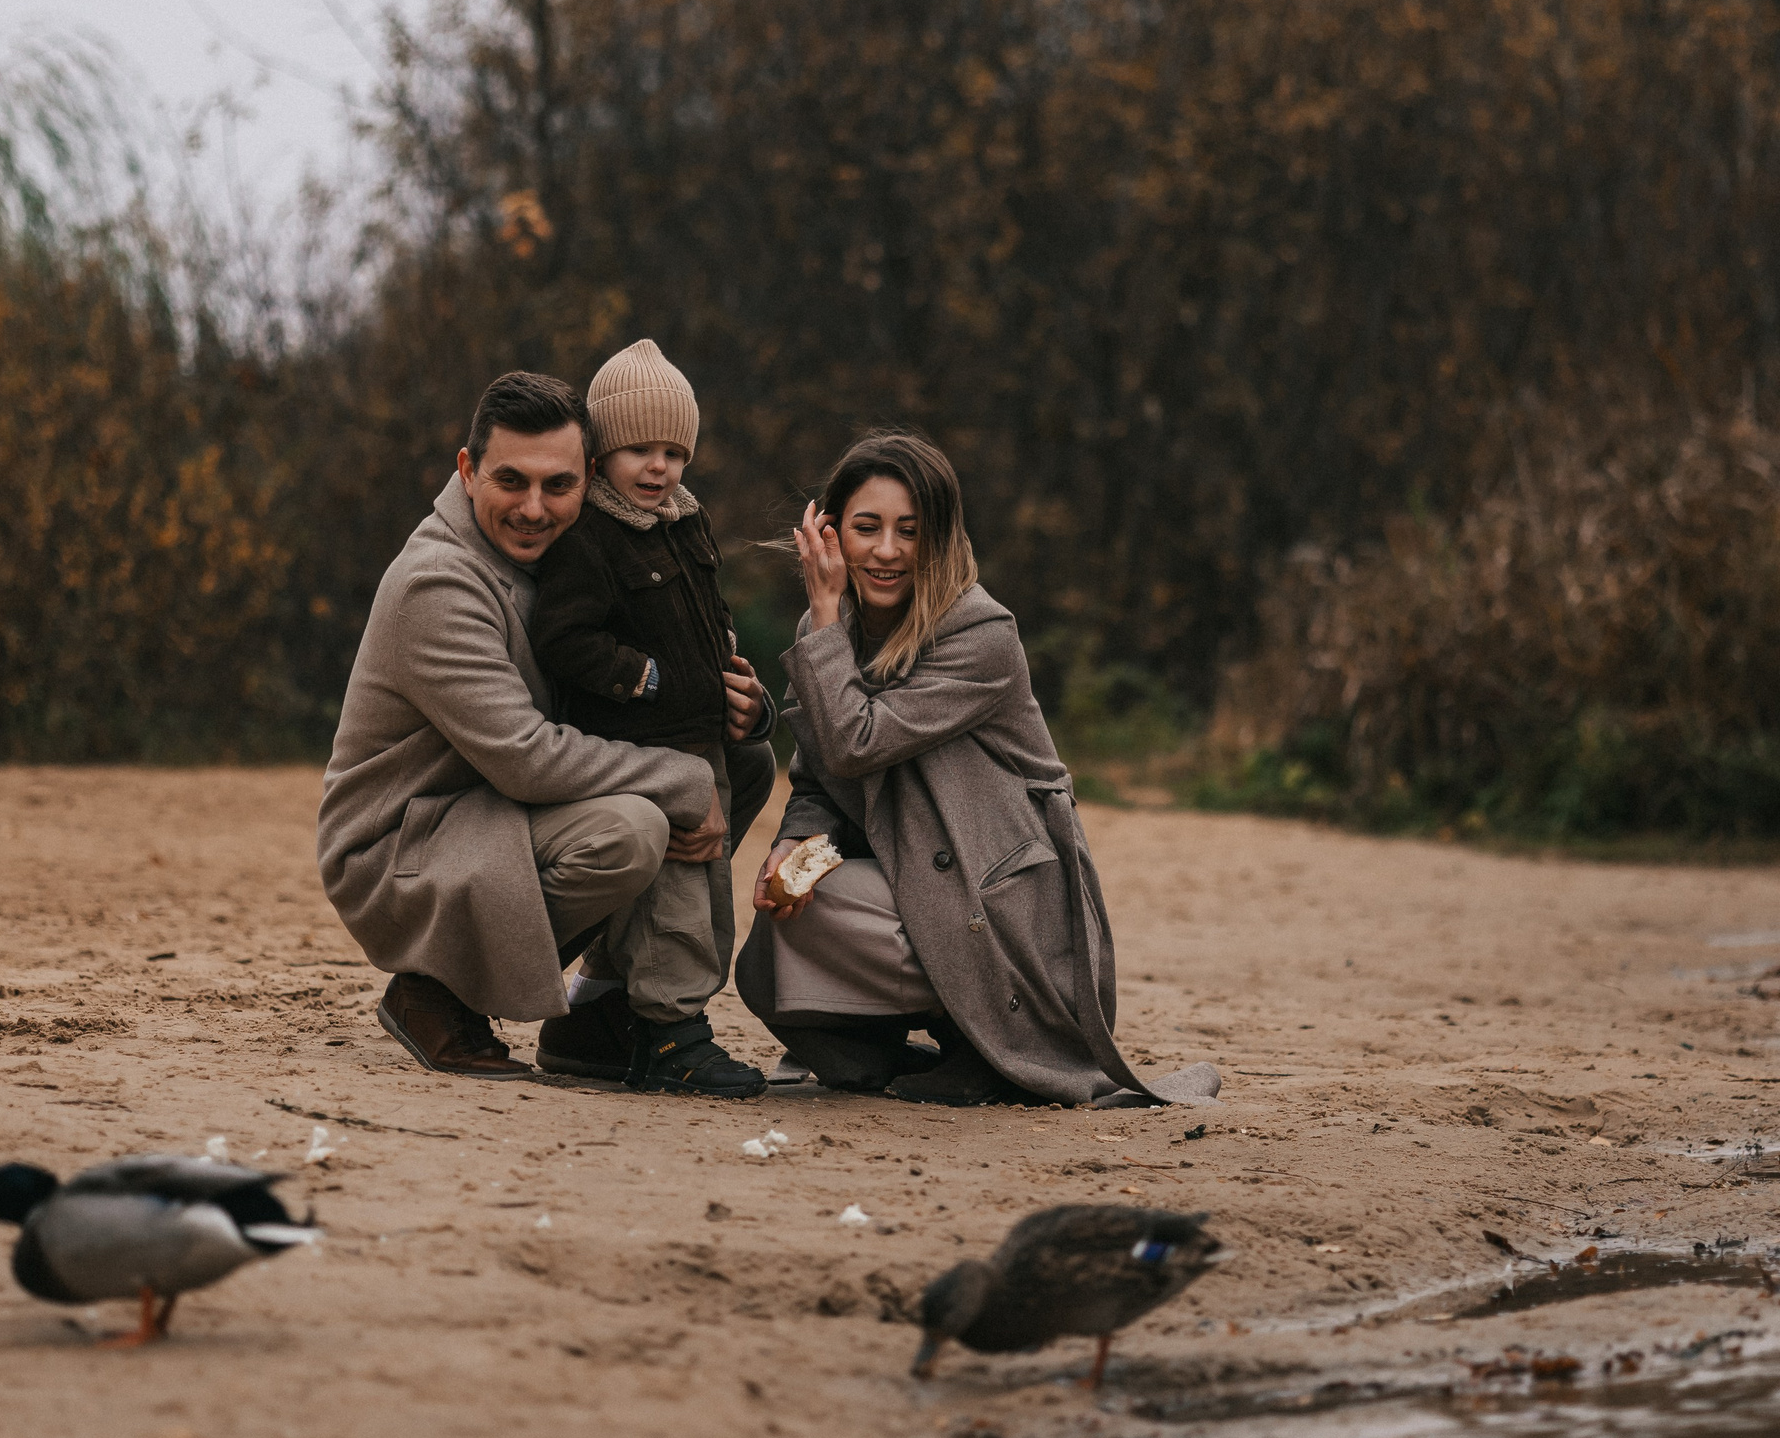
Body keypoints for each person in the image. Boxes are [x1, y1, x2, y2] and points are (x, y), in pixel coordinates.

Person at [735, 430, 1217, 1108]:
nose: (887, 550)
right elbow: (820, 775)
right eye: (866, 526)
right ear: (830, 529)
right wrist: (795, 840)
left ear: (940, 537)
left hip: (1008, 908)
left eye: (910, 529)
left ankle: (984, 1045)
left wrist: (820, 614)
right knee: (780, 931)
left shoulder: (979, 634)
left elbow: (853, 741)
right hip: (921, 878)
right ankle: (885, 1051)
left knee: (832, 912)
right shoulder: (830, 630)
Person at [316, 371, 775, 1077]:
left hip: (491, 810)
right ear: (467, 471)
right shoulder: (438, 583)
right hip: (408, 839)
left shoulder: (573, 552)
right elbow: (527, 757)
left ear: (589, 478)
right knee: (634, 827)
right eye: (511, 480)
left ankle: (600, 1005)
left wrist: (734, 703)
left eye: (557, 485)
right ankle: (436, 989)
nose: (534, 508)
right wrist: (681, 777)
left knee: (739, 765)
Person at [526, 340, 767, 1097]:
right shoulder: (588, 539)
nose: (659, 467)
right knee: (677, 895)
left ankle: (629, 1013)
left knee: (712, 890)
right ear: (600, 454)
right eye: (638, 449)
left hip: (702, 739)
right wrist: (645, 674)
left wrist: (737, 687)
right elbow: (565, 640)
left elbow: (710, 617)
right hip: (642, 746)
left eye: (674, 451)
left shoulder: (684, 523)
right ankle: (670, 1037)